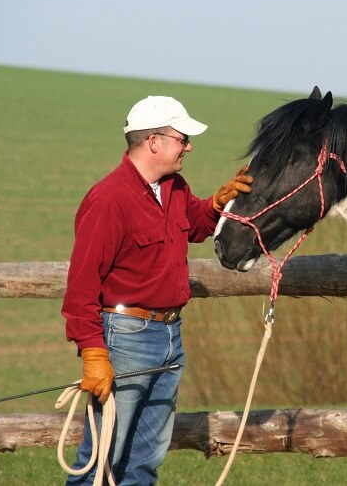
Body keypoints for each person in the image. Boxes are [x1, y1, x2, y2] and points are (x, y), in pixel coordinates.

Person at [61, 95, 252, 485]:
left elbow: (194, 226)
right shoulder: (108, 199)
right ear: (154, 142)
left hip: (170, 336)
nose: (189, 146)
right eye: (182, 138)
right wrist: (93, 352)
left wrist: (216, 203)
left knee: (145, 461)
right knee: (101, 459)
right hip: (125, 338)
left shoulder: (175, 187)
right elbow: (81, 285)